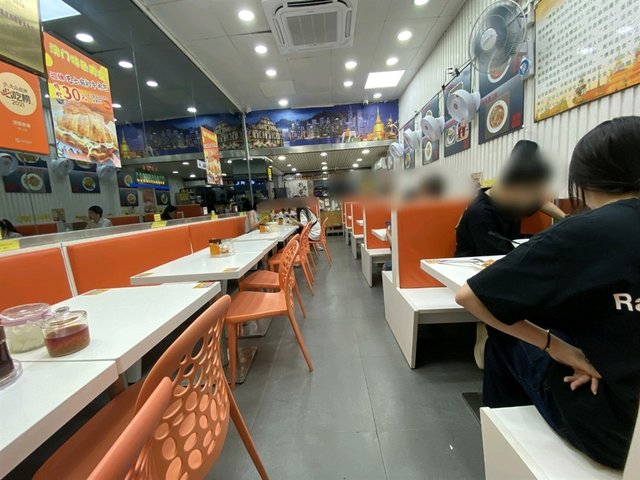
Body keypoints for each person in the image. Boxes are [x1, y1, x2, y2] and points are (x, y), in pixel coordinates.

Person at [455, 117, 640, 469]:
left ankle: (502, 448)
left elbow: (471, 296)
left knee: (505, 333)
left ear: (584, 179)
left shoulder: (589, 231)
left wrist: (560, 349)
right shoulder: (481, 211)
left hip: (620, 434)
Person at [455, 140, 567, 257]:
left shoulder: (514, 200)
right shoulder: (481, 214)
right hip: (477, 264)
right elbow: (497, 259)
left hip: (504, 256)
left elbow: (539, 203)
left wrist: (567, 219)